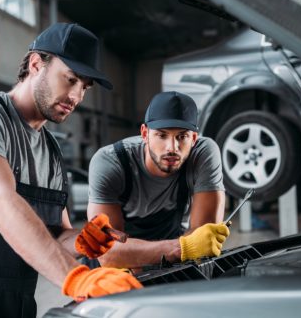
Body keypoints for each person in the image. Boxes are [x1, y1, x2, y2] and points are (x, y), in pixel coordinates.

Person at [0, 23, 142, 318]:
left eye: (84, 88)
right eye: (71, 79)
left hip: (20, 304)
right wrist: (76, 277)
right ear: (36, 64)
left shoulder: (50, 149)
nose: (76, 96)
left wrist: (81, 240)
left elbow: (56, 234)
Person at [87, 91, 229, 269]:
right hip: (112, 270)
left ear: (193, 138)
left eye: (182, 136)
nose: (172, 148)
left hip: (168, 259)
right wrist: (180, 248)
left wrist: (180, 250)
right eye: (162, 135)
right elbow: (107, 253)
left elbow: (202, 242)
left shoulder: (203, 153)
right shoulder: (110, 162)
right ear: (144, 133)